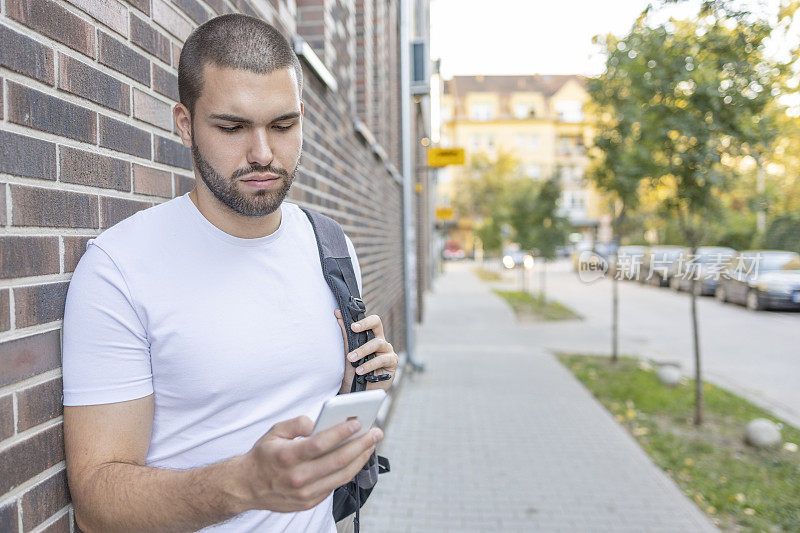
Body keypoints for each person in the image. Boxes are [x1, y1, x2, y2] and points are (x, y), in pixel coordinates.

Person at [62, 14, 398, 532]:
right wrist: (245, 484)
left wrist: (360, 382)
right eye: (232, 127)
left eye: (283, 126)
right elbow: (96, 504)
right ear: (184, 122)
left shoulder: (328, 244)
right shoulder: (120, 270)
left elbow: (308, 410)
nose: (263, 153)